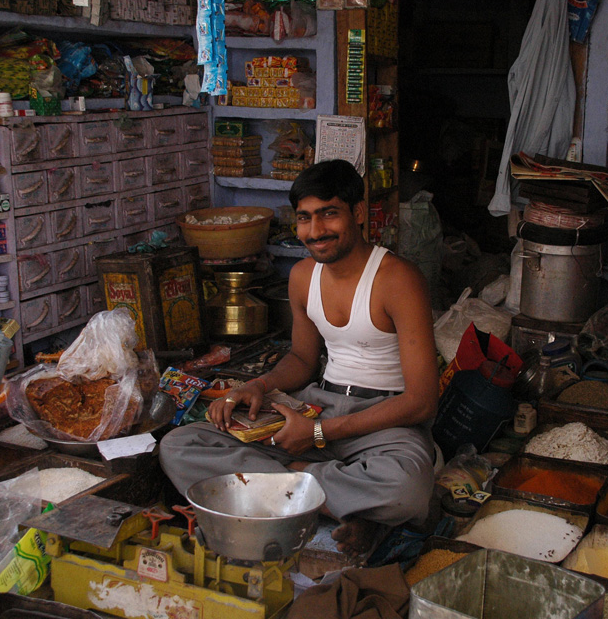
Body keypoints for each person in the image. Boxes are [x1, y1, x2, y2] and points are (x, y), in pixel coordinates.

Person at [159, 159, 440, 558]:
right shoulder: (303, 276)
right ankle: (337, 500)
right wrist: (256, 386)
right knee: (179, 445)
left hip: (385, 421)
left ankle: (294, 490)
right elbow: (303, 359)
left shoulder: (398, 279)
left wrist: (322, 435)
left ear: (357, 213)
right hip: (317, 405)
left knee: (405, 488)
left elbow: (422, 401)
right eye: (304, 218)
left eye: (329, 214)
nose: (315, 231)